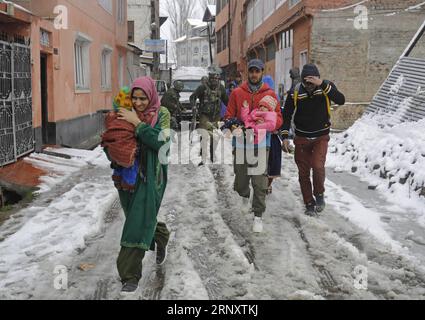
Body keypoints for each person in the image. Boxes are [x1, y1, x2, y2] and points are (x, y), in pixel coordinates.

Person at [103, 76, 171, 295]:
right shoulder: (124, 110)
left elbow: (162, 142)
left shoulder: (162, 114)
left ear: (151, 95)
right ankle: (160, 235)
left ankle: (129, 276)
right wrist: (114, 149)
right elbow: (113, 137)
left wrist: (138, 124)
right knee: (140, 217)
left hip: (152, 176)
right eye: (135, 98)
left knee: (136, 224)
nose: (139, 103)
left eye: (143, 98)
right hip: (126, 178)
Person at [225, 59, 283, 233]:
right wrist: (233, 126)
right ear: (247, 73)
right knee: (241, 178)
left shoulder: (271, 95)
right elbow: (228, 115)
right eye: (251, 71)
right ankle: (244, 195)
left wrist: (269, 123)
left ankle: (258, 215)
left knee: (259, 180)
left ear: (262, 73)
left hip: (261, 142)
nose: (254, 74)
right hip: (242, 142)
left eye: (257, 71)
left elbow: (279, 118)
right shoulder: (237, 93)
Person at [281, 64, 345, 216]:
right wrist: (284, 136)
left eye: (312, 81)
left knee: (317, 166)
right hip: (302, 137)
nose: (309, 85)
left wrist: (321, 84)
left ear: (317, 78)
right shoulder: (295, 92)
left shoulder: (326, 86)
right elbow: (287, 114)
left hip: (321, 136)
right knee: (303, 173)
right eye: (306, 81)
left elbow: (341, 100)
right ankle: (309, 203)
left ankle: (320, 194)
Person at [190, 65, 229, 165]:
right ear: (209, 77)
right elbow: (193, 97)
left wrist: (232, 110)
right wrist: (194, 106)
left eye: (216, 78)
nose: (214, 80)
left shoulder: (221, 88)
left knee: (214, 137)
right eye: (212, 78)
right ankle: (203, 157)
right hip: (204, 115)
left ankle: (212, 155)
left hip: (216, 115)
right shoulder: (202, 87)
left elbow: (226, 101)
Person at [261, 75, 282, 195]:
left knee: (273, 163)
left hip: (273, 136)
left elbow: (280, 116)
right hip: (261, 136)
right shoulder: (258, 100)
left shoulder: (276, 99)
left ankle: (268, 184)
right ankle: (263, 184)